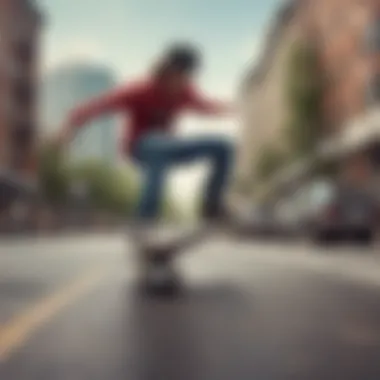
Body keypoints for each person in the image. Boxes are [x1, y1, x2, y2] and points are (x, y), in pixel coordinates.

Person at [57, 43, 234, 223]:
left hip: (170, 147)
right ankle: (145, 219)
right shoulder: (141, 90)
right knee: (156, 145)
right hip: (139, 147)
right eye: (178, 77)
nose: (180, 85)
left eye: (186, 78)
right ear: (167, 72)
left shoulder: (185, 92)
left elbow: (206, 106)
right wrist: (69, 126)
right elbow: (102, 104)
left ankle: (212, 206)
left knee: (223, 147)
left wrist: (231, 108)